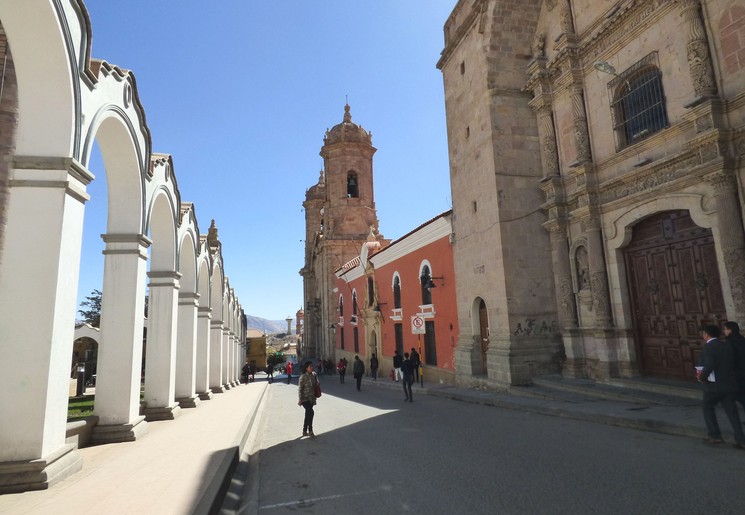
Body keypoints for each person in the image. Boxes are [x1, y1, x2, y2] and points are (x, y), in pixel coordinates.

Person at [697, 325, 745, 449]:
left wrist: (702, 378)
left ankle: (715, 436)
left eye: (703, 333)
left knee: (707, 407)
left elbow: (710, 364)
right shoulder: (726, 345)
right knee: (732, 413)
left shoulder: (709, 346)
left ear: (706, 334)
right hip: (729, 384)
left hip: (714, 386)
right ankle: (740, 439)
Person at [724, 321, 745, 412]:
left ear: (730, 330)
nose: (724, 331)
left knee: (738, 395)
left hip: (737, 372)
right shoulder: (741, 339)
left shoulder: (729, 341)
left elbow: (730, 358)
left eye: (725, 329)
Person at [297, 361, 319, 437]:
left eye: (312, 366)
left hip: (311, 398)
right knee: (311, 412)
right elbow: (300, 389)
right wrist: (300, 399)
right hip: (305, 399)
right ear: (306, 368)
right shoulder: (303, 377)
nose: (312, 367)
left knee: (308, 414)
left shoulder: (313, 375)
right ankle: (310, 430)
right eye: (310, 366)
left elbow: (316, 385)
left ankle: (304, 431)